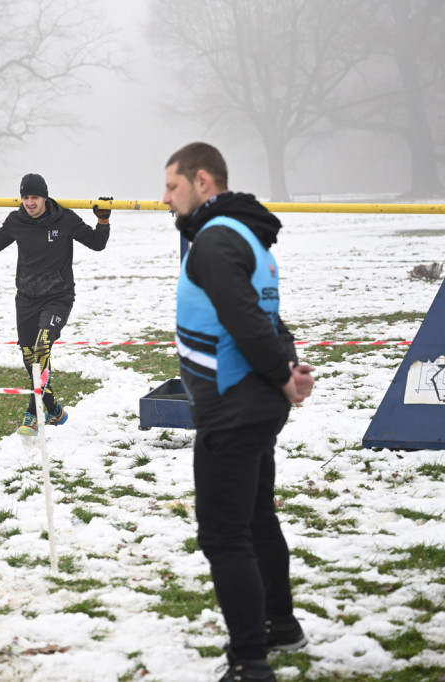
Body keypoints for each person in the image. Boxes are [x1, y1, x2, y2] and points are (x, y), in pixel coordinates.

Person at [162, 143, 315, 682]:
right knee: (255, 518)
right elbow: (269, 316)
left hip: (233, 406)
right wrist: (286, 369)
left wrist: (282, 375)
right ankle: (281, 626)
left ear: (202, 180)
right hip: (253, 400)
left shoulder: (215, 239)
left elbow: (246, 319)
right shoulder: (246, 235)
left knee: (224, 536)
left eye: (173, 186)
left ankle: (250, 661)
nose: (166, 198)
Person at [0, 173, 111, 435]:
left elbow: (97, 244)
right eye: (25, 197)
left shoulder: (65, 219)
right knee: (30, 358)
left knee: (41, 347)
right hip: (26, 298)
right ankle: (54, 410)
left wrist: (103, 220)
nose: (30, 202)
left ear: (45, 197)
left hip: (58, 297)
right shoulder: (16, 220)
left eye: (35, 197)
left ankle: (33, 414)